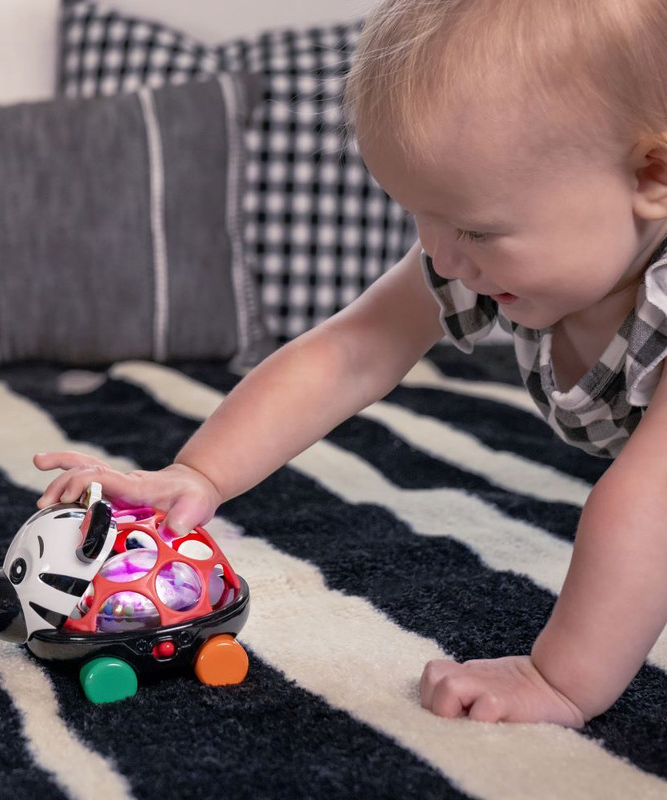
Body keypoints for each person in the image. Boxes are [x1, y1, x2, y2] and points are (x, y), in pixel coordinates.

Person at [34, 0, 667, 726]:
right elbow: (348, 352)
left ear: (652, 175)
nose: (441, 255)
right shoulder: (466, 254)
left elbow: (650, 505)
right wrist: (199, 474)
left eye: (475, 227)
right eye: (418, 217)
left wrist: (557, 680)